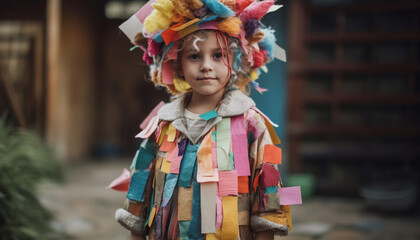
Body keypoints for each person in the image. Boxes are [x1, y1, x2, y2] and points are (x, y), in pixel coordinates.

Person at [111, 0, 301, 239]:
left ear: (235, 60)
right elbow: (140, 192)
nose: (206, 66)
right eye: (193, 56)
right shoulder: (161, 124)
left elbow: (268, 195)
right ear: (177, 64)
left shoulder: (251, 124)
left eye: (218, 55)